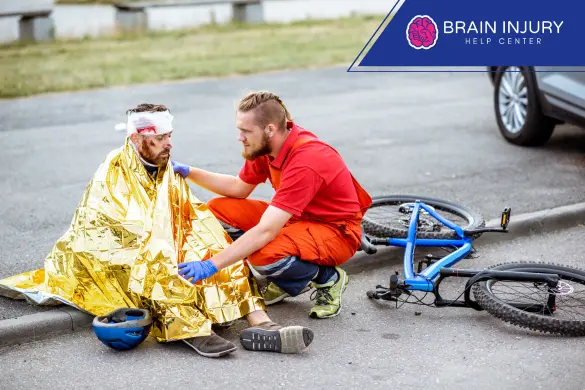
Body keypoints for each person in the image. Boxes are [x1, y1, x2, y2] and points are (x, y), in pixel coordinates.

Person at [0, 103, 314, 358]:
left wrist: (206, 248)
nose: (169, 143)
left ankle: (261, 323)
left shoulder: (166, 167)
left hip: (164, 240)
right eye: (160, 137)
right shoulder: (113, 170)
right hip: (112, 251)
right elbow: (111, 226)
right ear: (137, 139)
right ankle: (189, 329)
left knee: (215, 245)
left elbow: (189, 212)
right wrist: (167, 242)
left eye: (170, 135)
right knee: (159, 262)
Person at [172, 91, 372, 319]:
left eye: (246, 131)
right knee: (218, 210)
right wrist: (189, 172)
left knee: (264, 255)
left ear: (270, 129)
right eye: (240, 129)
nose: (240, 137)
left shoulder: (306, 160)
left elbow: (266, 230)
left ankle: (327, 278)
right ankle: (285, 278)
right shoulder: (266, 147)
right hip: (296, 219)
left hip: (335, 231)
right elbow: (239, 187)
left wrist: (211, 265)